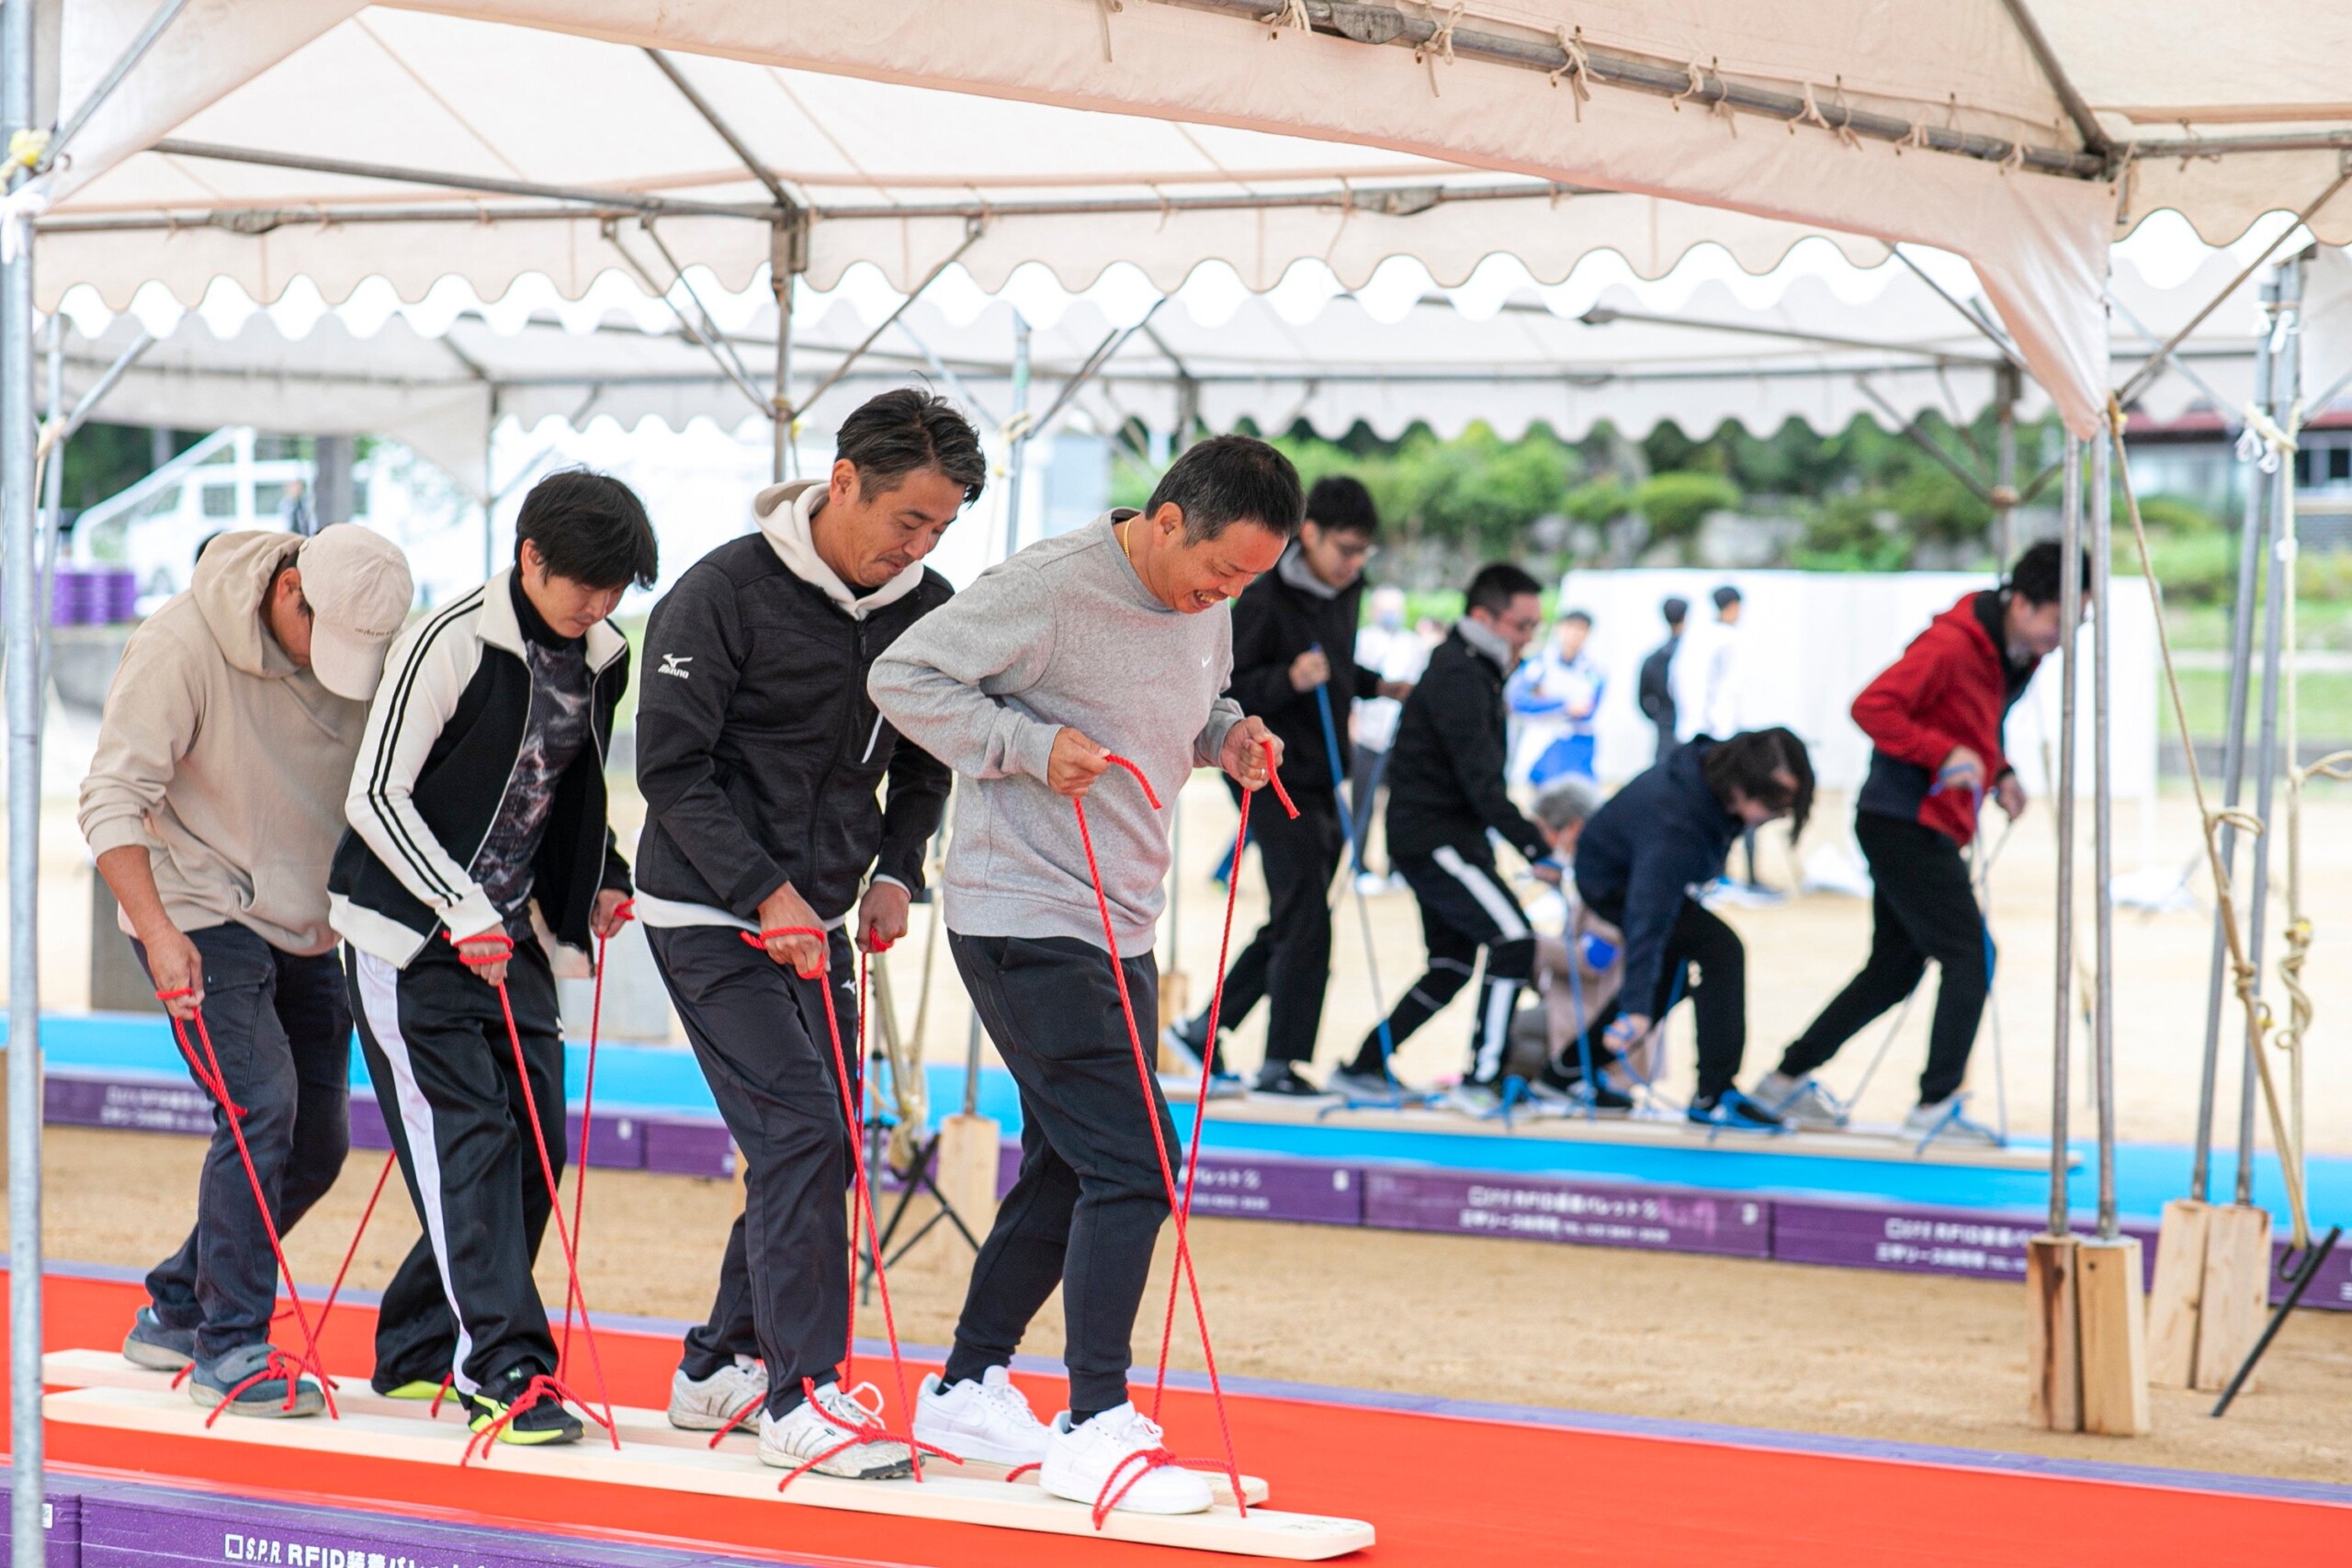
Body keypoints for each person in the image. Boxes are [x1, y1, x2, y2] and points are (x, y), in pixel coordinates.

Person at [869, 434, 1294, 1517]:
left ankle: (967, 1385)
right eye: (1221, 569)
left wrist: (1232, 737)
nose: (1227, 593)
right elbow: (900, 676)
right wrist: (1020, 742)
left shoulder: (1210, 599)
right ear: (1164, 521)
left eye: (1247, 578)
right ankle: (1095, 1424)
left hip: (1122, 918)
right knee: (1135, 1164)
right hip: (1023, 914)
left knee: (1070, 1161)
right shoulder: (1050, 588)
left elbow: (1189, 713)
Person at [632, 390, 978, 1476]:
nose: (917, 547)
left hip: (828, 913)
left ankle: (712, 1369)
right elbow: (669, 772)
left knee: (814, 1140)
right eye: (906, 522)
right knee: (802, 1137)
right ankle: (804, 1393)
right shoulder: (720, 592)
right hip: (704, 907)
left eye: (940, 530)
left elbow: (928, 755)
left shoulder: (933, 605)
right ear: (842, 484)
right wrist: (766, 894)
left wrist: (897, 872)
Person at [331, 470, 654, 1447]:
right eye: (582, 587)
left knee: (535, 1151)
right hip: (408, 935)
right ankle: (504, 1367)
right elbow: (376, 797)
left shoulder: (604, 656)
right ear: (529, 559)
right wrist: (459, 908)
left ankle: (419, 1344)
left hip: (512, 938)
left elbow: (569, 787)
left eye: (614, 592)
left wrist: (605, 872)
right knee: (466, 1142)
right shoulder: (448, 642)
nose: (597, 607)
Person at [82, 525, 413, 1417]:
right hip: (197, 906)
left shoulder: (365, 643)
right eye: (328, 640)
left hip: (306, 918)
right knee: (260, 1104)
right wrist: (155, 932)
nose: (338, 667)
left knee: (318, 1142)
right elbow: (110, 799)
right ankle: (229, 1344)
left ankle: (178, 1304)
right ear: (288, 590)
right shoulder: (180, 643)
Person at [1751, 542, 2083, 1141]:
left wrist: (1998, 770)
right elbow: (1871, 706)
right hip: (1902, 819)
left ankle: (1781, 1084)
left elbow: (1970, 725)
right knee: (1971, 954)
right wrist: (1945, 755)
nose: (2063, 638)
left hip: (1929, 821)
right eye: (2060, 622)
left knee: (1893, 969)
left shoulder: (2014, 655)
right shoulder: (1954, 643)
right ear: (2026, 603)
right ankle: (1934, 1106)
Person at [1160, 475, 1408, 1098]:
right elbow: (1225, 687)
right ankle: (1282, 1064)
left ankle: (1199, 1030)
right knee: (1308, 924)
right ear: (1312, 535)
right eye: (1345, 550)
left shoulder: (1344, 591)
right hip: (1268, 775)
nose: (1353, 564)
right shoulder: (1266, 596)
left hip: (1327, 775)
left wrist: (1378, 686)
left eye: (1362, 553)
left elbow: (1339, 666)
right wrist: (1289, 681)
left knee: (1296, 917)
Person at [1328, 564, 1557, 1113]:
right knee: (1514, 940)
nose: (1527, 638)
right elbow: (1482, 781)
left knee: (1451, 966)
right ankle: (1482, 1079)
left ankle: (1362, 1067)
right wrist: (1537, 847)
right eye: (1521, 625)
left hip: (1445, 838)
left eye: (1532, 627)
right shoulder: (1460, 673)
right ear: (1483, 618)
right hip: (1434, 840)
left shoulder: (1476, 668)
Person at [1573, 728, 1814, 1130]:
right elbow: (1647, 917)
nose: (1777, 816)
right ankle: (1714, 1096)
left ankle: (1563, 1074)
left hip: (1629, 871)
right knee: (1721, 950)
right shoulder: (1677, 822)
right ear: (1741, 786)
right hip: (1614, 884)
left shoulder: (1711, 778)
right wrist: (1634, 1008)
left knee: (1676, 972)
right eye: (1772, 805)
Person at [1507, 775, 1631, 1111]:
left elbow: (1594, 961)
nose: (1543, 843)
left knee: (1509, 1034)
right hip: (1577, 1008)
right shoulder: (1592, 874)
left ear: (1573, 828)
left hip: (1595, 1018)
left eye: (1544, 832)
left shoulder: (1609, 878)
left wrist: (1527, 944)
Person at [1350, 583, 1428, 883]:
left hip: (1400, 738)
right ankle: (1359, 866)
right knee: (1364, 806)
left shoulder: (1412, 643)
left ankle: (1397, 867)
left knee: (1400, 806)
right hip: (1368, 737)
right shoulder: (1362, 641)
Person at [1508, 610, 1603, 785]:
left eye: (1581, 630)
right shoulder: (1539, 664)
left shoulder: (1592, 671)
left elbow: (1588, 709)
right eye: (1571, 628)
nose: (1575, 635)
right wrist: (1563, 705)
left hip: (1574, 744)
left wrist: (1546, 698)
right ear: (1560, 629)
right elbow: (1517, 700)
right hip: (1540, 740)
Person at [1672, 585, 1745, 744]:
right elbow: (1702, 681)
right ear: (1732, 606)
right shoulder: (1724, 637)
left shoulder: (1697, 633)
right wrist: (1708, 723)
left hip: (1702, 726)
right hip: (1713, 729)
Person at [1636, 596, 1687, 761]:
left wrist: (1660, 716)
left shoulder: (1654, 658)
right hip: (1675, 725)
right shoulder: (1690, 657)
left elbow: (1643, 699)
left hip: (1665, 725)